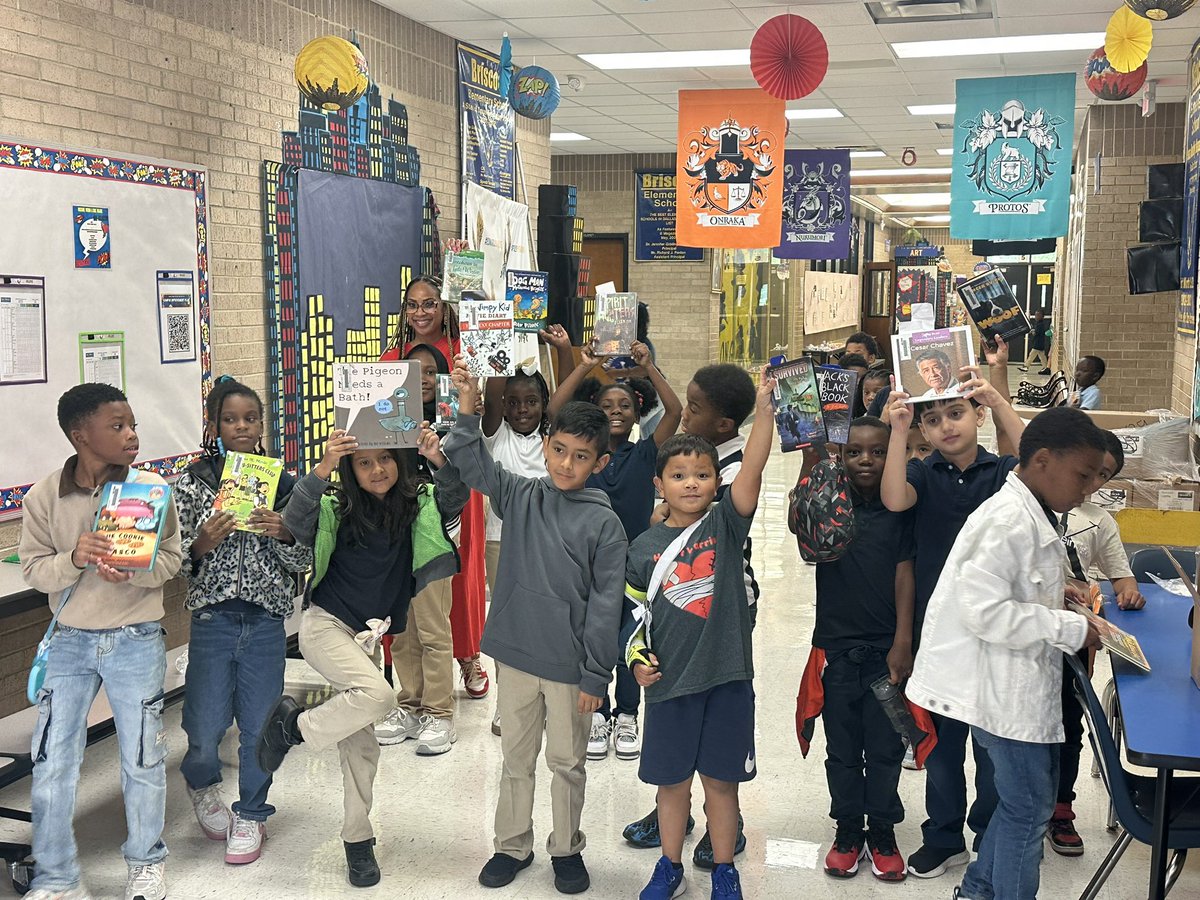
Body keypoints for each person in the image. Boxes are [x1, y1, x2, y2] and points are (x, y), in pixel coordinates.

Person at [906, 406, 1107, 900]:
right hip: (999, 691)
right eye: (1082, 475)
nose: (1088, 490)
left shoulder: (1032, 510)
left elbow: (1015, 586)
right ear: (1041, 461)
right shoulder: (1007, 521)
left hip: (1012, 683)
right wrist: (1068, 627)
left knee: (1025, 805)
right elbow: (986, 612)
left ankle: (977, 890)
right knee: (1028, 809)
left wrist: (1058, 594)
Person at [443, 364, 627, 895]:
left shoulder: (604, 524)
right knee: (515, 760)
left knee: (567, 764)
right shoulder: (521, 496)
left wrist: (597, 676)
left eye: (583, 455)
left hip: (571, 668)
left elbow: (605, 606)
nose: (567, 464)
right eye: (561, 449)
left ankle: (567, 849)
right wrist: (469, 406)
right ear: (547, 445)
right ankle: (511, 845)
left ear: (601, 462)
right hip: (517, 657)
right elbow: (472, 461)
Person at [258, 426, 467, 888]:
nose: (377, 469)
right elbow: (294, 522)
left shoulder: (418, 506)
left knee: (361, 746)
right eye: (364, 462)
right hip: (326, 625)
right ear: (350, 470)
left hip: (367, 638)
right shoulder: (336, 506)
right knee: (378, 695)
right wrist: (324, 465)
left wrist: (437, 459)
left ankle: (357, 840)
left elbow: (456, 499)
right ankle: (293, 728)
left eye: (385, 459)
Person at [20, 383, 183, 900]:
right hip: (69, 642)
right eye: (117, 426)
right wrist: (74, 557)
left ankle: (145, 860)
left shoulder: (151, 489)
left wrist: (132, 574)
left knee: (142, 755)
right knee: (53, 762)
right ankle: (56, 875)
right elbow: (33, 569)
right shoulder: (44, 495)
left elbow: (171, 561)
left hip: (135, 639)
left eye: (133, 424)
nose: (132, 435)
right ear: (80, 435)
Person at [625, 376, 774, 900]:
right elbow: (634, 619)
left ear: (717, 483)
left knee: (721, 785)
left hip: (727, 678)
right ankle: (669, 866)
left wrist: (764, 410)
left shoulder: (726, 527)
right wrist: (637, 661)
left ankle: (725, 868)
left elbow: (753, 465)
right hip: (668, 686)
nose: (692, 483)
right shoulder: (643, 548)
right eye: (679, 475)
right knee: (672, 786)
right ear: (659, 485)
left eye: (703, 475)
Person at [881, 366, 1025, 880]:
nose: (946, 426)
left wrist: (999, 397)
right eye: (934, 419)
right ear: (924, 432)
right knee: (939, 746)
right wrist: (898, 431)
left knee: (991, 746)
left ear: (979, 415)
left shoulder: (1004, 472)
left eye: (958, 412)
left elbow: (1041, 462)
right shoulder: (923, 474)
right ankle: (943, 836)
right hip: (938, 633)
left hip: (996, 632)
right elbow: (894, 498)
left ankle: (989, 833)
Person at [175, 377, 311, 866]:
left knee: (259, 724)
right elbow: (172, 561)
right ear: (213, 424)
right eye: (229, 418)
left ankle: (252, 811)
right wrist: (199, 546)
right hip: (212, 619)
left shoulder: (285, 483)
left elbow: (305, 562)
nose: (241, 427)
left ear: (261, 425)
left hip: (266, 622)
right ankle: (202, 783)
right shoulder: (192, 483)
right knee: (204, 725)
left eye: (250, 419)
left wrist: (285, 533)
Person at [549, 337, 682, 763]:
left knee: (631, 637)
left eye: (625, 405)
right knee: (593, 637)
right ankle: (600, 712)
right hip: (586, 561)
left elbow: (676, 412)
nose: (616, 412)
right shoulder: (583, 457)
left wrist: (648, 369)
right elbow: (555, 412)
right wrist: (584, 367)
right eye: (607, 406)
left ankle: (627, 713)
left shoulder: (646, 453)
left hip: (633, 566)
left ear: (638, 410)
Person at [795, 417, 916, 883]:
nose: (866, 460)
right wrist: (810, 458)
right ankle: (847, 831)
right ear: (839, 457)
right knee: (842, 750)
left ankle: (882, 833)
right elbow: (797, 526)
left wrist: (903, 642)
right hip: (837, 650)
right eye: (854, 452)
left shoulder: (899, 509)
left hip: (887, 650)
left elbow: (906, 574)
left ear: (894, 455)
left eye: (878, 451)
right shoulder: (828, 506)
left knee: (886, 749)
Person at [383, 275, 490, 701]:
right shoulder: (390, 357)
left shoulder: (466, 353)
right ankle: (401, 666)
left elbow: (486, 414)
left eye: (430, 304)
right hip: (402, 487)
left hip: (454, 481)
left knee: (460, 573)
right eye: (413, 305)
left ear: (444, 307)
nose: (421, 312)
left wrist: (477, 400)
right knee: (407, 578)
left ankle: (468, 655)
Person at [1049, 429, 1145, 856]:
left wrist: (1128, 591)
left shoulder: (1099, 521)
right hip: (1028, 633)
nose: (1093, 482)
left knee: (1069, 724)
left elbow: (1121, 574)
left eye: (1104, 475)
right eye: (1088, 470)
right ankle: (1015, 806)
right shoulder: (1034, 508)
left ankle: (1061, 808)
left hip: (1075, 639)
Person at [374, 343, 461, 754]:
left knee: (432, 627)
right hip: (392, 535)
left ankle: (440, 712)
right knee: (401, 628)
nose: (422, 379)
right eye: (413, 372)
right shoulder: (387, 420)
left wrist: (437, 455)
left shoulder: (453, 421)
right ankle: (409, 703)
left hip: (432, 537)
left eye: (430, 372)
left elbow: (459, 489)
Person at [478, 331, 558, 736]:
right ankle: (505, 703)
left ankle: (541, 697)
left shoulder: (552, 440)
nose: (521, 409)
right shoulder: (496, 435)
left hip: (546, 541)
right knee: (507, 618)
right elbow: (491, 398)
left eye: (531, 401)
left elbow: (562, 395)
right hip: (501, 539)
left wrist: (563, 352)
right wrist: (496, 333)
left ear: (544, 404)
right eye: (513, 402)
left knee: (545, 615)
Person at [1019, 309, 1051, 375]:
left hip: (1038, 343)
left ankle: (1026, 366)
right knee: (1042, 356)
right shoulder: (1038, 323)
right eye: (1036, 315)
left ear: (1042, 316)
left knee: (1032, 355)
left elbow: (1037, 333)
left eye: (1038, 315)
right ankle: (1046, 367)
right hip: (1039, 342)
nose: (1036, 317)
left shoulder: (1041, 324)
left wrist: (1032, 331)